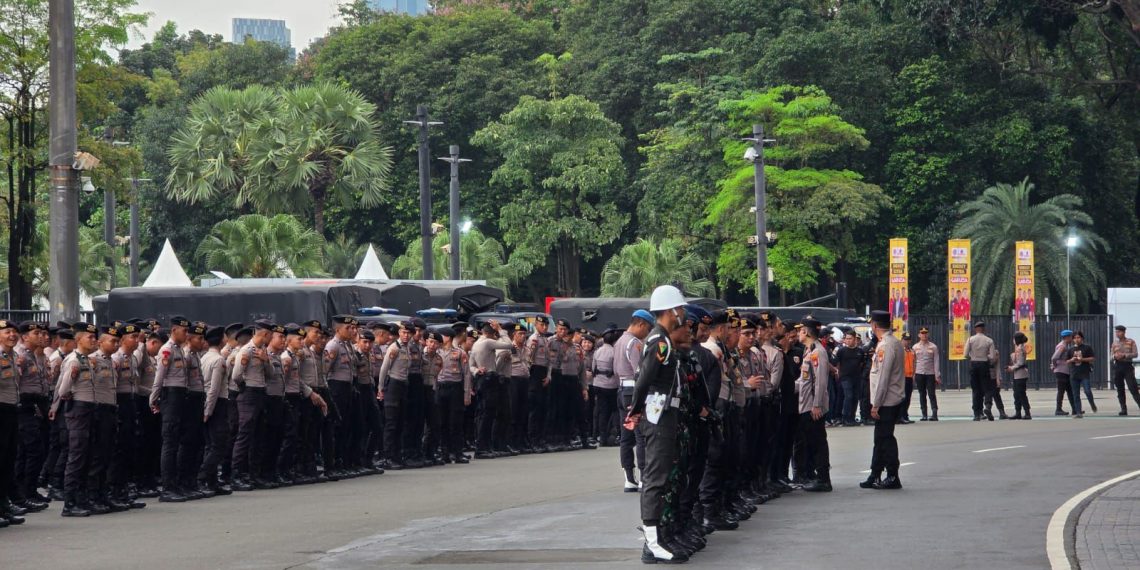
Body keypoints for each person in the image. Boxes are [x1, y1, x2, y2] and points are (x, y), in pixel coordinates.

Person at [626, 285, 689, 564]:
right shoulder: (659, 342)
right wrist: (636, 411)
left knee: (661, 476)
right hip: (657, 415)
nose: (683, 313)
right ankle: (652, 543)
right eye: (681, 308)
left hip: (664, 414)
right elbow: (643, 380)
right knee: (654, 477)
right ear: (670, 310)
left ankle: (657, 537)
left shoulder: (662, 339)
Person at [861, 311, 904, 490]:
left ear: (874, 326)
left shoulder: (886, 345)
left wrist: (876, 403)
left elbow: (883, 377)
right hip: (890, 398)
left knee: (885, 438)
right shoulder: (893, 342)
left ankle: (893, 475)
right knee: (880, 438)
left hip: (887, 400)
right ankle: (875, 473)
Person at [13, 322, 50, 511]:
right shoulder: (19, 356)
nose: (42, 336)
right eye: (37, 333)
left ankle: (29, 490)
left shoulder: (34, 355)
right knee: (30, 450)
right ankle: (23, 492)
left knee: (34, 450)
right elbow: (16, 384)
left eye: (43, 333)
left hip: (36, 403)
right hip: (23, 405)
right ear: (25, 337)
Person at [615, 310, 652, 491]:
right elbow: (640, 371)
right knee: (640, 435)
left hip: (622, 388)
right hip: (633, 389)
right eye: (647, 329)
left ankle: (629, 478)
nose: (647, 334)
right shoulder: (634, 342)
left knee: (626, 437)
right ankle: (644, 477)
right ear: (641, 324)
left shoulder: (619, 341)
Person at [794, 318, 831, 492]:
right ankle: (817, 476)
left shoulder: (818, 351)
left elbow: (821, 381)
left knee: (818, 442)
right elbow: (803, 380)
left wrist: (817, 405)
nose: (798, 333)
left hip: (812, 405)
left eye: (800, 330)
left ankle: (823, 479)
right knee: (812, 441)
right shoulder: (808, 350)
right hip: (806, 404)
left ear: (807, 332)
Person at [0, 319, 27, 525]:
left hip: (11, 410)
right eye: (7, 332)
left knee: (9, 459)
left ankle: (4, 506)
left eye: (14, 332)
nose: (12, 335)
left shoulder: (15, 356)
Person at [964, 321, 998, 421]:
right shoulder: (989, 340)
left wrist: (974, 356)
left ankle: (977, 413)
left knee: (976, 390)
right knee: (987, 388)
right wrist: (984, 356)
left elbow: (965, 354)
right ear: (984, 329)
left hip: (974, 364)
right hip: (984, 365)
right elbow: (992, 356)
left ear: (975, 329)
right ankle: (987, 406)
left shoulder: (970, 339)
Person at [833, 330, 864, 426]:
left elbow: (861, 364)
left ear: (855, 339)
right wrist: (838, 374)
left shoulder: (860, 351)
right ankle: (845, 417)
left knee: (855, 397)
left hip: (856, 377)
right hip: (845, 377)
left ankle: (852, 417)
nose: (848, 340)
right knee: (848, 396)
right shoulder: (841, 351)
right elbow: (837, 363)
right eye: (846, 338)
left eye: (850, 339)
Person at [912, 327, 941, 421]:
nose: (924, 335)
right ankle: (924, 414)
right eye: (922, 333)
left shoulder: (933, 346)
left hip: (930, 373)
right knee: (922, 394)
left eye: (925, 333)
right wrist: (913, 374)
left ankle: (934, 413)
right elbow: (913, 362)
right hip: (919, 372)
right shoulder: (915, 347)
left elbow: (936, 361)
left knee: (932, 393)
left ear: (928, 334)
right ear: (919, 335)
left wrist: (937, 375)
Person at [1110, 325, 1140, 416]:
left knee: (1132, 387)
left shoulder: (1130, 342)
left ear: (1124, 332)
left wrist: (1124, 355)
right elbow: (1111, 356)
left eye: (1119, 332)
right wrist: (1115, 356)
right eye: (1116, 332)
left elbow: (1135, 354)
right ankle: (1123, 409)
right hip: (1118, 366)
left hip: (1127, 366)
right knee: (1120, 388)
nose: (1117, 333)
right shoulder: (1114, 343)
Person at [1067, 331, 1097, 418]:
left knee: (1087, 391)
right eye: (1075, 338)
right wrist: (1072, 359)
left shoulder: (1087, 348)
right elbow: (1067, 361)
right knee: (1075, 394)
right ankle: (1078, 412)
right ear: (1073, 339)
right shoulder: (1070, 349)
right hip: (1074, 374)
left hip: (1084, 373)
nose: (1077, 339)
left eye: (1078, 337)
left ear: (1082, 338)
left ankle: (1092, 403)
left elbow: (1092, 358)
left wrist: (1082, 359)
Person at [1050, 330, 1077, 416]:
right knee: (1061, 391)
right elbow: (1054, 357)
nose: (1072, 339)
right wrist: (1054, 366)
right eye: (1071, 337)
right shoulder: (1062, 346)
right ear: (1067, 337)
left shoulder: (1065, 345)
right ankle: (1058, 409)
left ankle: (1075, 409)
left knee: (1070, 390)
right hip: (1061, 371)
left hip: (1065, 371)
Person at [1007, 332, 1031, 420]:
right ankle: (1018, 412)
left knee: (1021, 394)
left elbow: (1020, 363)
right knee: (1016, 394)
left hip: (1021, 374)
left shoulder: (1020, 348)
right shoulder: (1019, 348)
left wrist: (1011, 368)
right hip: (1017, 374)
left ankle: (1027, 413)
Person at [898, 333, 915, 424]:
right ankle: (900, 416)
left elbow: (914, 363)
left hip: (909, 377)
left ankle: (905, 415)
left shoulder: (912, 351)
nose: (907, 342)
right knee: (902, 398)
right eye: (905, 340)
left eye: (908, 340)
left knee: (908, 397)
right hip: (901, 377)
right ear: (902, 340)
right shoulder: (899, 350)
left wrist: (914, 374)